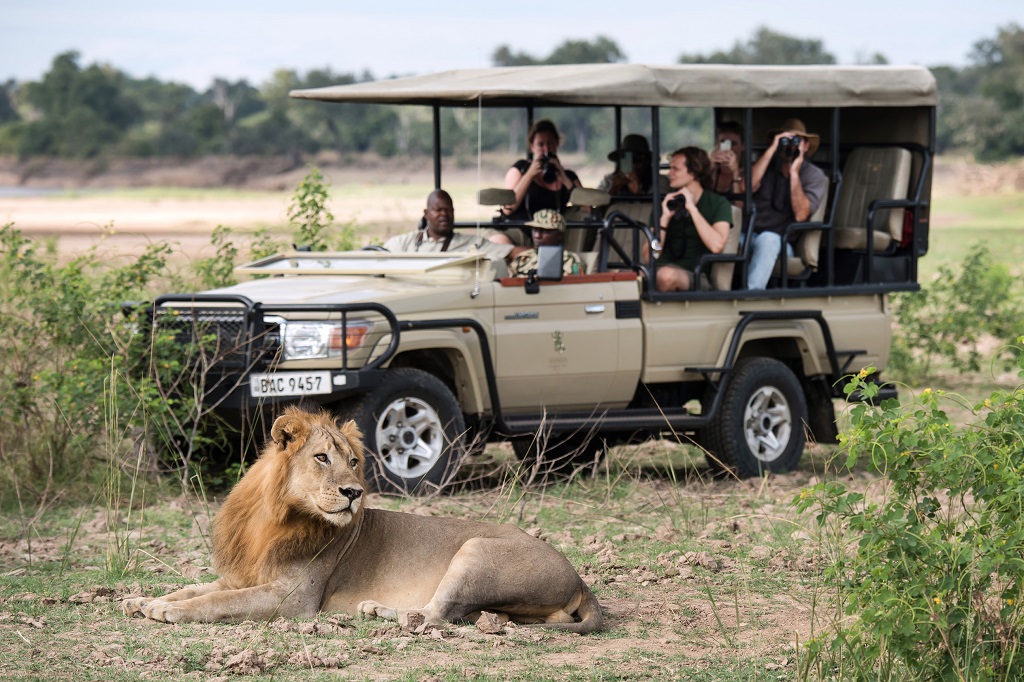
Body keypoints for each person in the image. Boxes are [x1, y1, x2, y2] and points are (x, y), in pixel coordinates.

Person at [745, 118, 828, 290]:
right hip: (749, 235)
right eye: (785, 140)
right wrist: (772, 149)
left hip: (781, 242)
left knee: (768, 240)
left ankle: (750, 296)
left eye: (797, 141)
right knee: (723, 236)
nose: (790, 146)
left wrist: (794, 173)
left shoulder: (814, 176)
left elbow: (801, 215)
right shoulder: (765, 166)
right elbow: (747, 187)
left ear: (805, 147)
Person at [649, 147, 732, 292]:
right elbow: (650, 255)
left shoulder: (718, 203)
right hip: (659, 271)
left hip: (695, 275)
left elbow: (717, 246)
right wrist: (663, 220)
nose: (670, 173)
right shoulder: (665, 203)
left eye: (676, 169)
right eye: (670, 168)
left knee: (666, 276)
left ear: (694, 173)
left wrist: (692, 209)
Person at [384, 189, 528, 262]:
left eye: (448, 210)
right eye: (438, 210)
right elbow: (376, 256)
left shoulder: (472, 243)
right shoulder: (405, 243)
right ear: (426, 213)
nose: (444, 214)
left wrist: (545, 253)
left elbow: (511, 252)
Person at [501, 119, 582, 222]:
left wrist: (565, 180)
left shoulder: (568, 176)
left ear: (557, 144)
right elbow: (508, 209)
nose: (546, 149)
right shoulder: (520, 169)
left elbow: (586, 209)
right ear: (532, 147)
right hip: (520, 229)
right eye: (541, 144)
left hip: (552, 235)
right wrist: (529, 175)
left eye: (550, 144)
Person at [508, 209, 585, 277]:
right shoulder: (523, 258)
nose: (537, 235)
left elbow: (575, 285)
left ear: (559, 235)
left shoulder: (569, 259)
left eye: (544, 231)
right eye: (535, 230)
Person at [597, 134, 668, 196]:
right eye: (628, 161)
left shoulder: (658, 181)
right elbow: (596, 207)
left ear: (646, 162)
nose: (633, 166)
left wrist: (637, 192)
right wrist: (613, 189)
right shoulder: (608, 180)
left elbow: (659, 208)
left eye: (638, 161)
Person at [709, 121, 745, 197]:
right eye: (723, 143)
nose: (729, 148)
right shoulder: (709, 171)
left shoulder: (747, 174)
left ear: (742, 146)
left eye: (733, 144)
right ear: (716, 144)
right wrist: (708, 167)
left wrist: (735, 172)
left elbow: (739, 205)